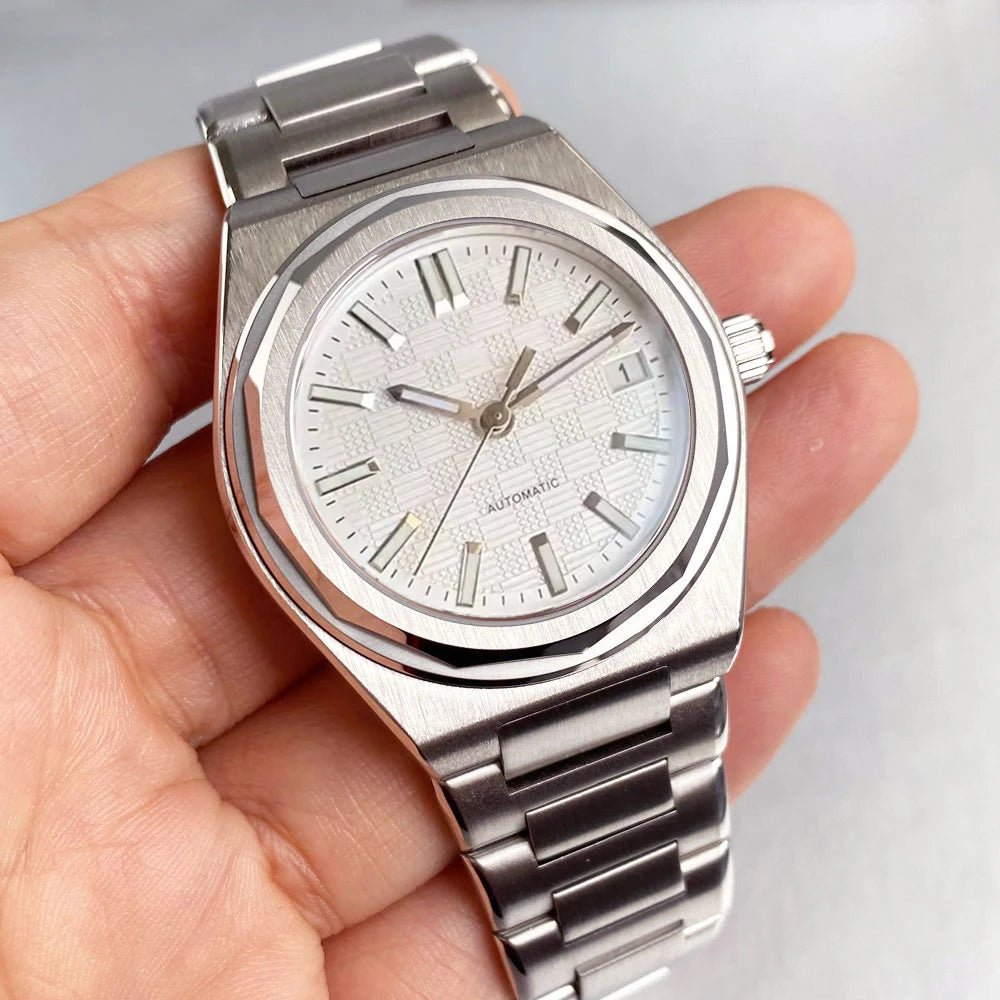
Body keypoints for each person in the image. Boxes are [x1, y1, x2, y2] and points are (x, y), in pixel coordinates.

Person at [0, 72, 917, 998]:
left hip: (644, 600)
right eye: (486, 413)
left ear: (724, 359)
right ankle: (593, 954)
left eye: (495, 409)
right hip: (460, 680)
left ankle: (628, 941)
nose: (493, 418)